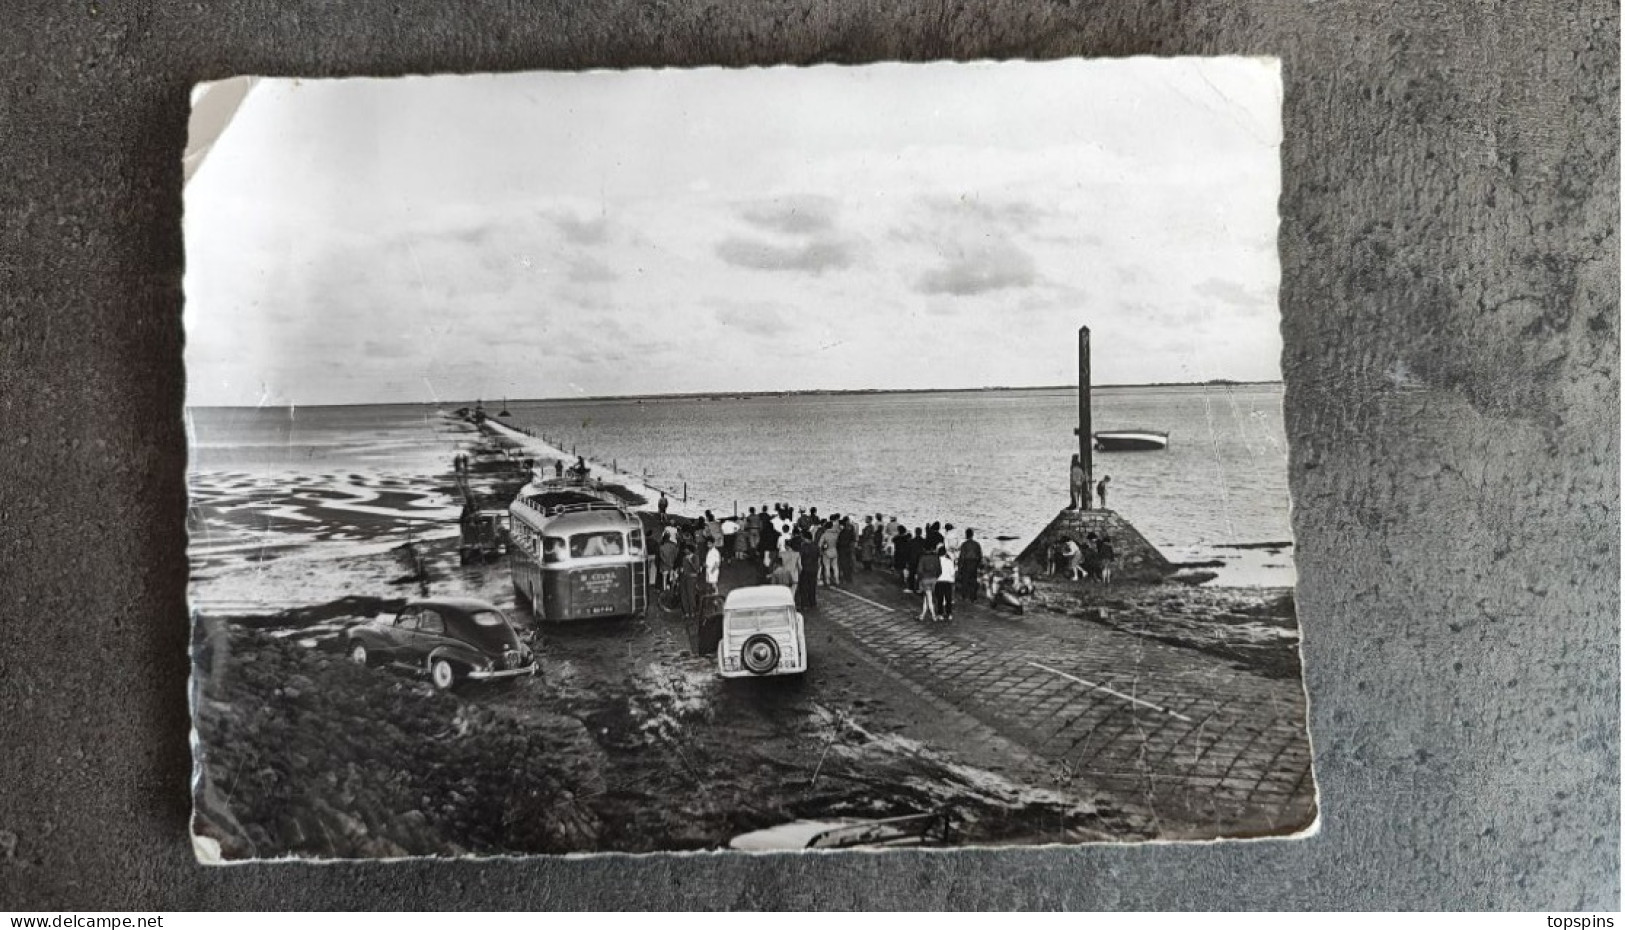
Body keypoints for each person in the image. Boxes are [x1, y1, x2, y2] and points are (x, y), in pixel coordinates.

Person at [916, 544, 943, 622]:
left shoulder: (922, 558)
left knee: (929, 598)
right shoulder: (936, 558)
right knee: (927, 597)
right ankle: (922, 614)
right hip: (934, 579)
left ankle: (933, 615)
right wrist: (935, 577)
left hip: (925, 579)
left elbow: (919, 571)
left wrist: (920, 579)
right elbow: (939, 570)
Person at [957, 528, 983, 601]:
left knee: (965, 580)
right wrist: (978, 564)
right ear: (972, 535)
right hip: (974, 563)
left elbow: (962, 556)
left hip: (966, 563)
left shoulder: (964, 544)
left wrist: (959, 567)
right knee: (973, 580)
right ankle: (973, 597)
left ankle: (964, 596)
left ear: (966, 535)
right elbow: (980, 555)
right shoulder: (977, 544)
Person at [796, 534, 820, 609]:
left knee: (804, 587)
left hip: (805, 568)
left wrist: (800, 569)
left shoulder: (803, 547)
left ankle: (805, 603)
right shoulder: (816, 547)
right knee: (812, 586)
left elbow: (799, 559)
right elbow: (819, 559)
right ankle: (813, 602)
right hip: (814, 568)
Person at [677, 546, 700, 621]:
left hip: (691, 578)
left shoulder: (695, 557)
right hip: (684, 578)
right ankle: (686, 612)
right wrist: (680, 570)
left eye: (686, 549)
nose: (685, 551)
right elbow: (682, 567)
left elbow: (696, 569)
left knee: (691, 595)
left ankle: (692, 612)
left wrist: (690, 562)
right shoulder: (684, 558)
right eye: (684, 550)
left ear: (690, 550)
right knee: (684, 594)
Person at [935, 545, 956, 621]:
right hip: (948, 582)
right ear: (945, 553)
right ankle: (949, 614)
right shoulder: (949, 561)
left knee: (940, 598)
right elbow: (953, 572)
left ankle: (940, 614)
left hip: (939, 581)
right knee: (948, 598)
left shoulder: (936, 561)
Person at [893, 526, 916, 592]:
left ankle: (901, 578)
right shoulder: (906, 538)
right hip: (905, 554)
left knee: (899, 567)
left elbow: (893, 540)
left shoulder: (897, 538)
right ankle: (904, 578)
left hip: (898, 553)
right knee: (904, 566)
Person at [818, 518, 840, 586]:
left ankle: (827, 581)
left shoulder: (825, 534)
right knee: (835, 567)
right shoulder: (836, 534)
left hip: (827, 552)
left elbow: (820, 544)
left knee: (827, 567)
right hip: (834, 550)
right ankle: (837, 580)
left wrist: (821, 550)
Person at [837, 516, 857, 583]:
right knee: (848, 564)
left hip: (843, 549)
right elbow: (853, 539)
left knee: (843, 564)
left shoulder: (842, 533)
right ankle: (848, 578)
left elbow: (839, 542)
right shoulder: (850, 531)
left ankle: (844, 577)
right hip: (848, 549)